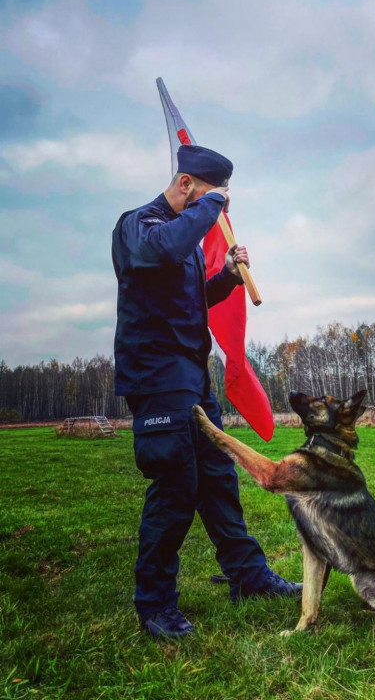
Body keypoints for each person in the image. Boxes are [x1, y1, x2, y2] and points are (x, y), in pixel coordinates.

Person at [112, 144, 301, 639]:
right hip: (156, 378)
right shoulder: (139, 226)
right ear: (185, 185)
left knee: (218, 480)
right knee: (175, 487)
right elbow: (163, 250)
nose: (214, 210)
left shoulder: (186, 241)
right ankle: (154, 603)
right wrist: (211, 205)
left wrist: (227, 277)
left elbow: (194, 298)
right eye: (208, 196)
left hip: (194, 378)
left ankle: (248, 575)